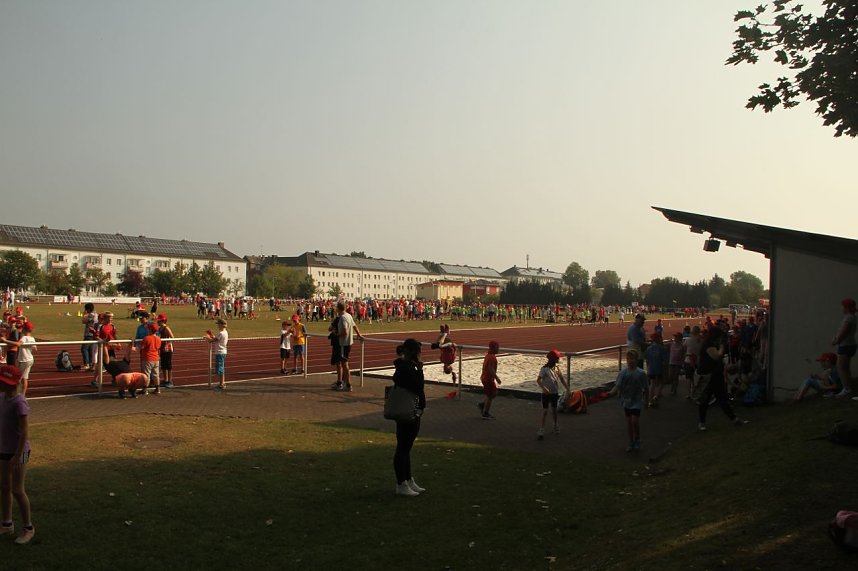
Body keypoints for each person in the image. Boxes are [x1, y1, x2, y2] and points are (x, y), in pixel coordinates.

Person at [0, 365, 35, 544]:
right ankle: (7, 524)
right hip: (4, 450)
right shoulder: (2, 397)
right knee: (4, 487)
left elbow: (24, 432)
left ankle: (28, 528)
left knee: (17, 490)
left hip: (20, 452)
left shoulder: (19, 402)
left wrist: (17, 455)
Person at [696, 321, 748, 431]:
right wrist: (722, 346)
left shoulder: (711, 344)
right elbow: (716, 356)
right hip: (709, 376)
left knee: (721, 398)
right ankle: (702, 422)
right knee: (706, 399)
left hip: (715, 375)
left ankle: (733, 419)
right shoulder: (709, 345)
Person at [391, 339, 426, 497]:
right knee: (403, 448)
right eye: (418, 351)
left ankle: (408, 478)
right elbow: (418, 386)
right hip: (407, 411)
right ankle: (401, 483)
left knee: (407, 448)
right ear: (411, 352)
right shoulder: (405, 368)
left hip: (413, 410)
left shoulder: (407, 367)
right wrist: (420, 371)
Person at [607, 349, 649, 452]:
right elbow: (618, 385)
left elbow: (646, 388)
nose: (630, 361)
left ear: (636, 360)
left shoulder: (641, 373)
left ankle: (637, 439)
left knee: (634, 420)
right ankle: (631, 442)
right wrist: (611, 392)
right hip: (626, 401)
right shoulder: (623, 372)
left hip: (637, 400)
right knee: (629, 422)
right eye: (629, 359)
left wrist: (647, 401)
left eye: (633, 358)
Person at [536, 349, 570, 440]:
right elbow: (538, 380)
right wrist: (544, 388)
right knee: (545, 411)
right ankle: (541, 429)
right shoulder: (544, 369)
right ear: (553, 359)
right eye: (557, 358)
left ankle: (555, 425)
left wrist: (567, 388)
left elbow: (562, 379)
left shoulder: (557, 368)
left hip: (554, 393)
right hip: (546, 393)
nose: (558, 360)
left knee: (554, 410)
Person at [333, 302, 363, 392]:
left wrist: (337, 334)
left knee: (344, 364)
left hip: (344, 343)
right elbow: (354, 326)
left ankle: (348, 384)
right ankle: (344, 383)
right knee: (343, 363)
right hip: (348, 343)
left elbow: (345, 332)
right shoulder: (349, 315)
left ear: (339, 308)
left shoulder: (343, 318)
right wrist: (359, 334)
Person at [0, 322, 36, 396]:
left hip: (23, 360)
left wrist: (5, 340)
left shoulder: (24, 337)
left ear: (24, 329)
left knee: (18, 378)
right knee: (25, 378)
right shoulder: (32, 338)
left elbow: (18, 344)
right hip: (30, 359)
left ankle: (16, 394)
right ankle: (23, 395)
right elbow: (35, 348)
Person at [832, 298, 857, 398]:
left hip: (845, 346)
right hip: (850, 345)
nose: (841, 308)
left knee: (841, 368)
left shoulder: (848, 318)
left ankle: (846, 389)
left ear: (846, 308)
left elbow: (844, 332)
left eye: (842, 306)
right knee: (846, 368)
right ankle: (848, 387)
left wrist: (836, 340)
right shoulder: (852, 317)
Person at [644, 332, 668, 407]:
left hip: (651, 368)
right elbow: (665, 360)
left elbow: (647, 359)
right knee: (661, 382)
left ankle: (650, 400)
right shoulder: (662, 348)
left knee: (652, 384)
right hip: (659, 368)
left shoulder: (649, 348)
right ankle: (656, 396)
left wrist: (648, 368)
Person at [478, 341, 501, 420]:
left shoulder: (488, 355)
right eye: (497, 348)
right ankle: (485, 413)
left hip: (486, 378)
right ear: (494, 348)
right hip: (488, 379)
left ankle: (483, 405)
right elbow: (490, 369)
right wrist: (497, 378)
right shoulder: (491, 357)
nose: (498, 349)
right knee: (491, 395)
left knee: (493, 393)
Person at [205, 319, 228, 390]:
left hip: (220, 352)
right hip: (223, 351)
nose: (217, 325)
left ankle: (221, 384)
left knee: (220, 368)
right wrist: (211, 335)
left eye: (218, 324)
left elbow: (213, 340)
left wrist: (207, 338)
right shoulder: (225, 332)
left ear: (221, 325)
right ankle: (222, 383)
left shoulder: (221, 333)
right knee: (222, 368)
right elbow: (216, 339)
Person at [138, 323, 161, 394]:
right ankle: (157, 389)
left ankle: (145, 390)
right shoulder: (158, 338)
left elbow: (141, 347)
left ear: (150, 329)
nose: (147, 329)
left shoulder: (147, 338)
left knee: (146, 374)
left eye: (148, 328)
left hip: (147, 358)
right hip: (156, 359)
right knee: (156, 374)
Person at [156, 314, 175, 388]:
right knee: (163, 365)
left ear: (163, 320)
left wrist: (167, 343)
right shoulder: (159, 328)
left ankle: (170, 381)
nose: (157, 321)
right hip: (162, 348)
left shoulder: (166, 328)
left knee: (168, 365)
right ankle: (165, 380)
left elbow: (172, 337)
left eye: (159, 320)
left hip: (167, 349)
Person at [81, 302, 98, 371]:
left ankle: (87, 364)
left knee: (84, 348)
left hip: (89, 334)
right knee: (91, 349)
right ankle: (91, 364)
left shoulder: (91, 315)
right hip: (93, 334)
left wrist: (84, 314)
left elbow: (83, 321)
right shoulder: (95, 314)